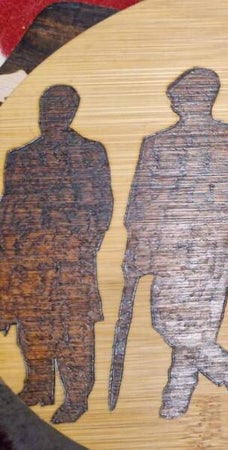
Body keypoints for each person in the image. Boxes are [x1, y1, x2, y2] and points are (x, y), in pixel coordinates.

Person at [118, 67, 228, 419]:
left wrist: (223, 234)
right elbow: (141, 200)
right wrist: (137, 247)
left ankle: (176, 396)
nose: (178, 100)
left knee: (194, 328)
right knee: (170, 324)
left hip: (213, 250)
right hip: (168, 250)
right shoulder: (157, 142)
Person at [0, 85, 113, 423]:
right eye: (48, 106)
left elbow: (102, 206)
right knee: (33, 326)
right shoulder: (20, 156)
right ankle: (39, 385)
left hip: (70, 261)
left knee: (74, 331)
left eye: (60, 107)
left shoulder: (90, 153)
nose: (52, 114)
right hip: (29, 261)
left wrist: (81, 246)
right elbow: (8, 209)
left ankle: (76, 397)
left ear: (71, 112)